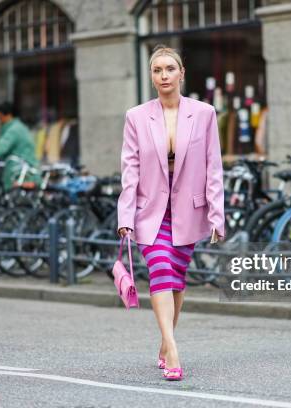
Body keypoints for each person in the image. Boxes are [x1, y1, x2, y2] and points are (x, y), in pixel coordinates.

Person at [117, 45, 225, 381]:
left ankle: (164, 344)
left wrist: (217, 215)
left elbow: (213, 167)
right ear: (152, 76)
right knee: (161, 269)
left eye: (169, 69)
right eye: (157, 70)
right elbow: (129, 169)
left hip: (188, 213)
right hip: (149, 212)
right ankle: (173, 348)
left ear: (181, 73)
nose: (163, 76)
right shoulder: (136, 116)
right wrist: (125, 216)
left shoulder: (204, 113)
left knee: (175, 281)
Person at [0, 102, 39, 191]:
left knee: (7, 191)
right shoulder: (19, 127)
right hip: (26, 168)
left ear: (8, 115)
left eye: (0, 118)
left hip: (19, 169)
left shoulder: (14, 130)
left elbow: (0, 149)